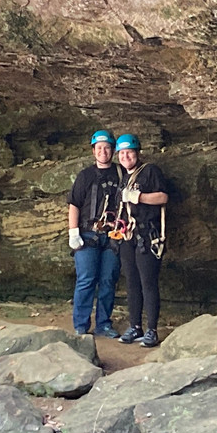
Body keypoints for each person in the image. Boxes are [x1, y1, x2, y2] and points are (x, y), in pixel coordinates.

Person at [66, 129, 124, 337]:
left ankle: (103, 324)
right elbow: (74, 204)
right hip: (88, 234)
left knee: (108, 280)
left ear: (113, 150)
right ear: (93, 151)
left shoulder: (121, 173)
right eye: (99, 148)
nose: (103, 152)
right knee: (86, 279)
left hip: (113, 236)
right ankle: (81, 326)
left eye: (107, 148)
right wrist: (74, 233)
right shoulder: (86, 176)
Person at [114, 133, 169, 348]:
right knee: (132, 282)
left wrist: (139, 197)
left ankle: (152, 330)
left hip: (148, 236)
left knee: (148, 282)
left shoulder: (150, 171)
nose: (125, 156)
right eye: (122, 153)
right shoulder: (124, 177)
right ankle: (135, 326)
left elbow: (163, 197)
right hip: (128, 236)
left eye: (129, 152)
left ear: (137, 153)